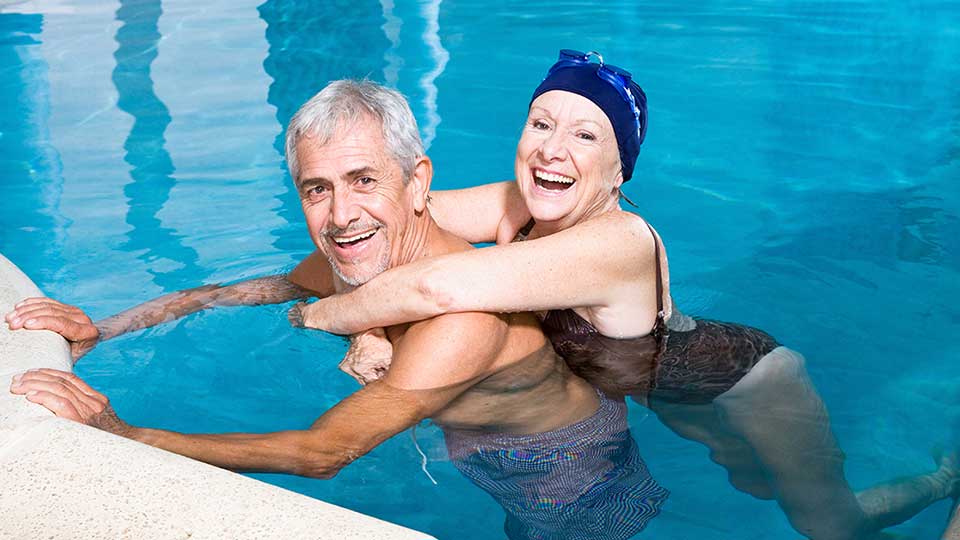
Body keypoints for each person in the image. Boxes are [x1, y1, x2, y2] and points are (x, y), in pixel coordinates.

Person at [291, 51, 960, 540]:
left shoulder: (621, 240)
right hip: (664, 401)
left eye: (585, 136)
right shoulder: (518, 205)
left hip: (752, 388)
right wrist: (372, 325)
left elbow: (434, 281)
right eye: (541, 124)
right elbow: (385, 217)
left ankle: (944, 485)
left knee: (828, 526)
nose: (553, 151)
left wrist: (325, 315)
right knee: (756, 488)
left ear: (618, 170)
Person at [8, 80, 668, 539]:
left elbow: (324, 451)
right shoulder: (355, 255)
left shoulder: (464, 322)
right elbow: (239, 292)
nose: (341, 216)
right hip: (482, 455)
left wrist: (126, 436)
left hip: (577, 491)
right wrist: (105, 328)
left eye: (363, 181)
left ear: (418, 184)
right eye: (316, 189)